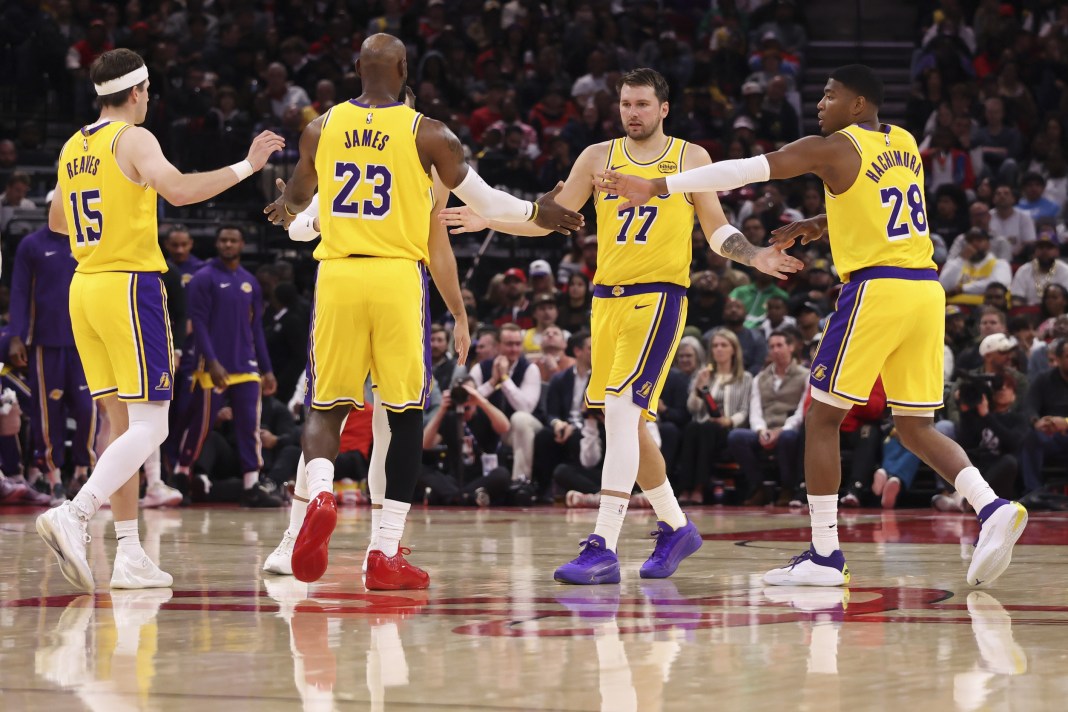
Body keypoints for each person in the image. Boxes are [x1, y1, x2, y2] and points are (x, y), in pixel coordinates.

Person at [597, 64, 1028, 588]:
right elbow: (888, 206)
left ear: (858, 104)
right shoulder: (906, 142)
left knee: (821, 418)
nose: (820, 104)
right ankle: (990, 506)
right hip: (924, 289)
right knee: (914, 425)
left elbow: (747, 170)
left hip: (876, 289)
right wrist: (821, 223)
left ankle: (825, 554)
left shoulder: (833, 147)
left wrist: (658, 184)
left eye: (829, 95)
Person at [441, 67, 801, 584]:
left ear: (663, 109)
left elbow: (718, 229)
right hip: (606, 301)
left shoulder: (689, 158)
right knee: (628, 423)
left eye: (641, 104)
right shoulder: (596, 157)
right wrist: (490, 218)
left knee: (619, 411)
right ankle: (676, 527)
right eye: (625, 104)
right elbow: (553, 217)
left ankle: (602, 544)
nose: (631, 112)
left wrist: (755, 256)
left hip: (658, 298)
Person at [264, 34, 580, 590]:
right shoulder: (428, 132)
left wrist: (290, 210)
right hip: (395, 276)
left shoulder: (320, 128)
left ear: (357, 67)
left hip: (337, 275)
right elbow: (485, 202)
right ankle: (384, 552)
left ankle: (319, 493)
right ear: (406, 69)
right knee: (406, 413)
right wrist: (540, 210)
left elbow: (292, 206)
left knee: (325, 405)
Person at [36, 47, 284, 592]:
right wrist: (248, 166)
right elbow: (178, 189)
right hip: (128, 285)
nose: (149, 99)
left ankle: (129, 553)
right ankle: (74, 514)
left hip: (85, 288)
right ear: (137, 91)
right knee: (154, 424)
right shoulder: (134, 138)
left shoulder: (74, 143)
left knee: (118, 425)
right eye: (147, 92)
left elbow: (57, 219)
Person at [173, 226, 282, 507]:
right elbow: (197, 323)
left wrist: (267, 368)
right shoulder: (203, 278)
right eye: (223, 240)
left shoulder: (250, 282)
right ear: (217, 244)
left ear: (242, 244)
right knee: (202, 425)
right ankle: (181, 475)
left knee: (249, 425)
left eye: (233, 240)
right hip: (213, 366)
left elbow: (256, 327)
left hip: (246, 365)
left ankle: (251, 484)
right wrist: (211, 362)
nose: (228, 244)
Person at [8, 197, 97, 505]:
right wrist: (16, 336)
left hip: (86, 341)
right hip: (46, 342)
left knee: (88, 408)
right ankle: (53, 476)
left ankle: (83, 470)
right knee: (49, 412)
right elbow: (19, 292)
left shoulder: (90, 241)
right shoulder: (32, 245)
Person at [673, 328, 752, 505]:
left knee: (706, 428)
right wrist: (698, 389)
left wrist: (729, 420)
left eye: (724, 345)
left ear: (733, 350)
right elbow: (692, 409)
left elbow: (745, 410)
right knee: (693, 427)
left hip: (728, 429)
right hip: (702, 427)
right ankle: (685, 488)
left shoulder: (745, 378)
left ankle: (700, 487)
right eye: (715, 345)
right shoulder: (704, 375)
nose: (718, 349)